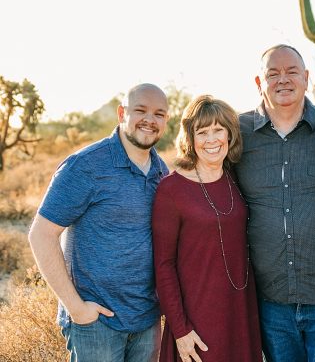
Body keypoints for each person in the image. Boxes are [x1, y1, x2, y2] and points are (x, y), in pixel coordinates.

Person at [28, 84, 169, 362]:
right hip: (97, 325)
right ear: (121, 113)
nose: (150, 120)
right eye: (140, 110)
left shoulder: (160, 171)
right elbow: (41, 235)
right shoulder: (86, 166)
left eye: (159, 114)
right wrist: (77, 308)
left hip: (146, 321)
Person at [235, 45, 315, 362]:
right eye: (272, 73)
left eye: (291, 71)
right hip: (271, 301)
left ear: (307, 78)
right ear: (259, 83)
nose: (282, 79)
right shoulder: (237, 132)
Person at [152, 96, 263, 362]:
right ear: (190, 138)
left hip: (240, 315)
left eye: (218, 130)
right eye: (202, 132)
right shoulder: (172, 190)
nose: (212, 140)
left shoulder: (236, 178)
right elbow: (164, 265)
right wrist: (180, 330)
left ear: (229, 134)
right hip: (197, 320)